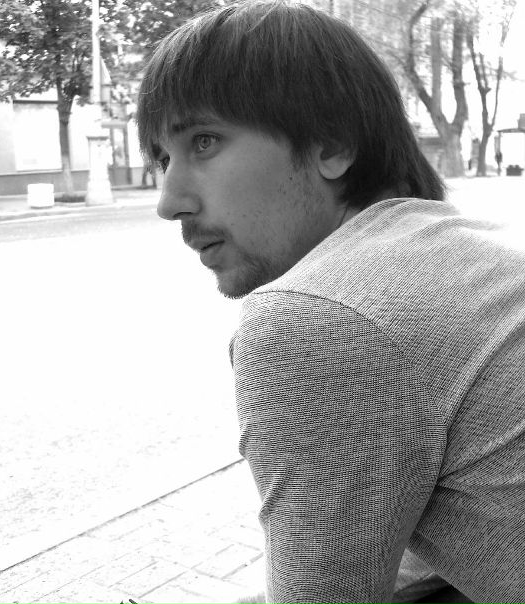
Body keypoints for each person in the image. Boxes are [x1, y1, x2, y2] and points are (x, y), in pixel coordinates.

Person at [136, 2, 525, 603]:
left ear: (332, 145)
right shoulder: (478, 254)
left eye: (204, 142)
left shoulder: (315, 318)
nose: (169, 202)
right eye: (163, 159)